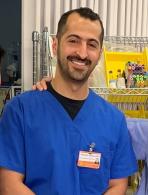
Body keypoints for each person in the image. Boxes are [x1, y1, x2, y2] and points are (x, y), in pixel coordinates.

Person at [0, 7, 137, 195]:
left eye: (92, 44)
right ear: (55, 45)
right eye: (73, 41)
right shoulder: (19, 111)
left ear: (100, 53)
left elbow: (118, 184)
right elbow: (9, 184)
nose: (82, 53)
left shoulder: (114, 120)